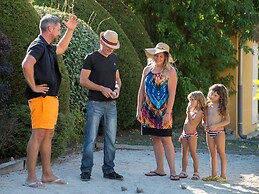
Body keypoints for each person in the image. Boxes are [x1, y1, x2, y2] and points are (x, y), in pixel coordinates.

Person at [22, 14, 78, 188]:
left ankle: (46, 174)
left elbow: (61, 48)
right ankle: (31, 177)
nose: (59, 30)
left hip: (50, 97)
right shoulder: (38, 45)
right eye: (59, 28)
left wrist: (70, 30)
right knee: (38, 134)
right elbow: (26, 64)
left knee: (48, 135)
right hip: (41, 97)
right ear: (50, 29)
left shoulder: (47, 47)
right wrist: (34, 86)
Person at [79, 30, 123, 181]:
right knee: (90, 139)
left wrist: (117, 89)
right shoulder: (91, 58)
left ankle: (109, 170)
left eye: (113, 48)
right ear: (101, 42)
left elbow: (118, 80)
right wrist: (101, 88)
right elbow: (83, 80)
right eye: (108, 47)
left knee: (111, 139)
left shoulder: (114, 58)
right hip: (95, 104)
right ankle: (86, 171)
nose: (110, 50)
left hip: (111, 105)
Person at [136, 42, 179, 180]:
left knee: (166, 139)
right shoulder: (147, 70)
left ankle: (173, 171)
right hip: (148, 110)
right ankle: (160, 169)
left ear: (165, 57)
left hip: (164, 111)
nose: (158, 57)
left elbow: (172, 93)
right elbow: (141, 91)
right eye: (156, 55)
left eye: (161, 56)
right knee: (154, 138)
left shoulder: (170, 71)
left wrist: (168, 112)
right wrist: (138, 109)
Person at [202, 84, 230, 182]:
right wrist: (205, 125)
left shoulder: (222, 107)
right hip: (209, 133)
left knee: (221, 153)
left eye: (215, 95)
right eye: (211, 93)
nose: (212, 96)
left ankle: (223, 176)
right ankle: (213, 175)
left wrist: (216, 126)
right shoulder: (207, 106)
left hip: (219, 132)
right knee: (212, 154)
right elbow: (204, 119)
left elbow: (227, 120)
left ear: (220, 97)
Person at [178, 91, 206, 180]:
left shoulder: (199, 112)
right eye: (189, 100)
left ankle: (196, 172)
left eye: (193, 100)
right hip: (185, 134)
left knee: (193, 153)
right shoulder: (191, 111)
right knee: (184, 153)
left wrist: (188, 113)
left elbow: (192, 122)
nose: (190, 102)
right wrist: (182, 134)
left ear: (199, 101)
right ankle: (183, 171)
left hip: (192, 135)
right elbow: (185, 123)